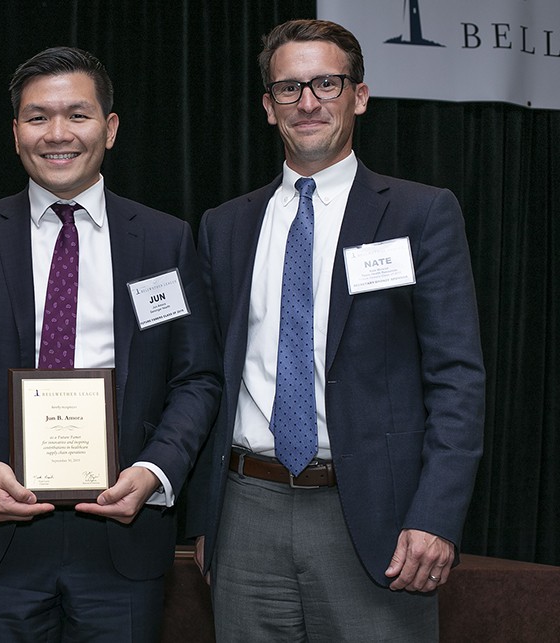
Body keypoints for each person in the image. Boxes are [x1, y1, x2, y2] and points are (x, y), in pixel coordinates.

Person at [0, 46, 220, 642]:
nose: (57, 134)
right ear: (16, 132)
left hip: (122, 543)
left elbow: (196, 377)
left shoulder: (163, 241)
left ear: (111, 127)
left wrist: (155, 471)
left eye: (77, 114)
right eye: (37, 117)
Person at [188, 19, 485, 641]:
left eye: (327, 83)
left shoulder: (420, 213)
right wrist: (205, 514)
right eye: (289, 89)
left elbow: (457, 377)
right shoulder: (226, 226)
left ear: (360, 95)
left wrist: (437, 514)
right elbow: (205, 377)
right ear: (269, 108)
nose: (309, 101)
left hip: (376, 518)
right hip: (247, 512)